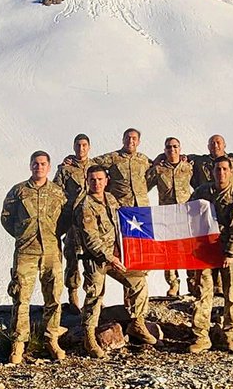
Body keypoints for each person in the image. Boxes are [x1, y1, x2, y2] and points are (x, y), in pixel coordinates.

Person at [73, 164, 156, 358]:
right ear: (87, 181)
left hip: (116, 255)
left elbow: (123, 224)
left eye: (100, 179)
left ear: (106, 181)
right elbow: (91, 239)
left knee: (138, 282)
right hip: (96, 259)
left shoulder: (110, 199)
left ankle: (137, 323)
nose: (97, 183)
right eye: (92, 180)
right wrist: (110, 257)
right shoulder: (85, 205)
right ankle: (89, 336)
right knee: (95, 294)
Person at [0, 150, 69, 364]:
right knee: (21, 298)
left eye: (43, 164)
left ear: (49, 167)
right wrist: (23, 234)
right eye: (35, 164)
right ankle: (19, 343)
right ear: (30, 166)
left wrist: (53, 236)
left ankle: (51, 339)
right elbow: (6, 218)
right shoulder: (18, 191)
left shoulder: (58, 192)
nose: (39, 167)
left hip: (51, 252)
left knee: (54, 298)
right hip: (26, 252)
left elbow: (66, 218)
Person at [188, 156, 233, 353]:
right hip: (205, 251)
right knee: (203, 293)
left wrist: (231, 252)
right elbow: (187, 214)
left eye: (224, 169)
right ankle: (201, 336)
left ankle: (230, 335)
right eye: (217, 170)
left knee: (231, 294)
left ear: (230, 172)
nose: (220, 173)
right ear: (212, 172)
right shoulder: (202, 192)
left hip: (227, 252)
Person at [146, 136, 194, 297]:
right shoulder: (159, 170)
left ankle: (193, 282)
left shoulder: (188, 167)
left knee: (189, 249)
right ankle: (173, 284)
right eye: (168, 147)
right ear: (164, 150)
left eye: (175, 147)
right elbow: (143, 186)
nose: (172, 150)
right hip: (166, 215)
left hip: (186, 214)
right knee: (169, 251)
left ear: (180, 149)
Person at [54, 133, 93, 312]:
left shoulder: (96, 167)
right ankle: (73, 295)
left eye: (84, 145)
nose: (81, 148)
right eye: (78, 145)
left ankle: (91, 297)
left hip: (91, 219)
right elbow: (56, 190)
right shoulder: (65, 169)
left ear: (89, 147)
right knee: (71, 257)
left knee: (91, 257)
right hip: (71, 218)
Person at [89, 128, 152, 208]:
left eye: (134, 138)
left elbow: (156, 167)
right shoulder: (113, 157)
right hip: (121, 205)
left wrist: (162, 157)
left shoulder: (143, 159)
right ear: (123, 140)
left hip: (142, 205)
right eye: (127, 138)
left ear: (138, 142)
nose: (130, 141)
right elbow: (91, 163)